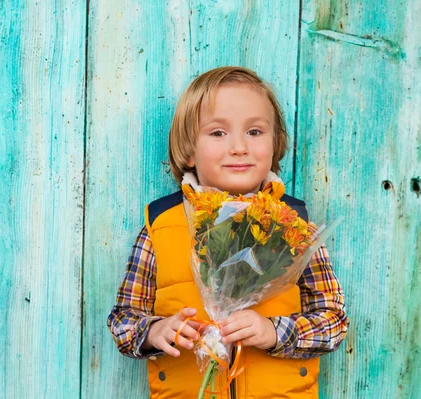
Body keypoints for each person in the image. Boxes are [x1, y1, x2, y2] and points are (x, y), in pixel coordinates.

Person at [107, 66, 349, 399]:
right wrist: (156, 331)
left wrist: (275, 332)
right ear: (189, 149)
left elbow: (334, 322)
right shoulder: (161, 225)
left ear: (275, 142)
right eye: (218, 133)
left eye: (254, 131)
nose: (238, 147)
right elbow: (123, 321)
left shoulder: (295, 225)